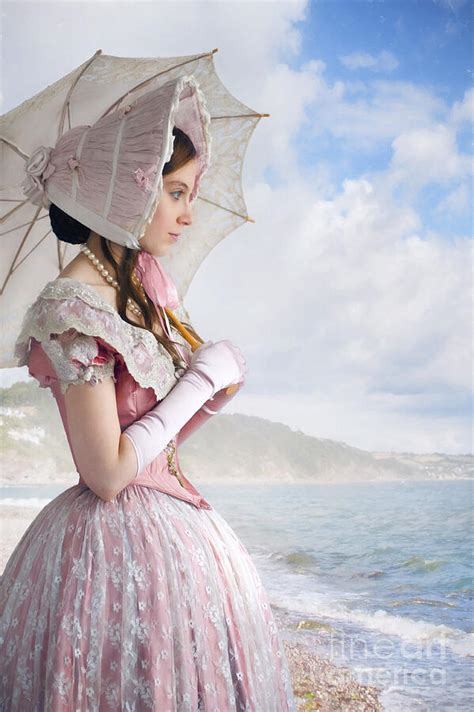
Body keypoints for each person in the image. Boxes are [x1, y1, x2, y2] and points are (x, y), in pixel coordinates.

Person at [0, 76, 296, 710]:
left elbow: (156, 440)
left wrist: (207, 395)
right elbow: (106, 471)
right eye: (176, 193)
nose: (189, 212)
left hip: (173, 525)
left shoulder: (141, 284)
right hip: (108, 543)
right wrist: (196, 386)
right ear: (125, 190)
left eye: (191, 194)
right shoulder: (73, 308)